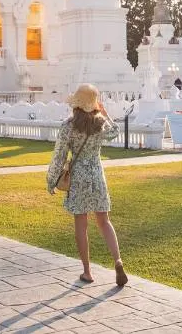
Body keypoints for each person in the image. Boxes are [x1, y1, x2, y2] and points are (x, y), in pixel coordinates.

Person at [47, 83, 127, 286]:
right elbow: (115, 131)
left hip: (79, 177)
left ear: (76, 104)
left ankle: (87, 272)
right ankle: (118, 261)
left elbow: (59, 156)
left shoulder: (68, 126)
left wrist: (52, 180)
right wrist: (105, 113)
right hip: (97, 175)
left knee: (81, 225)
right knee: (104, 221)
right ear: (94, 104)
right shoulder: (100, 124)